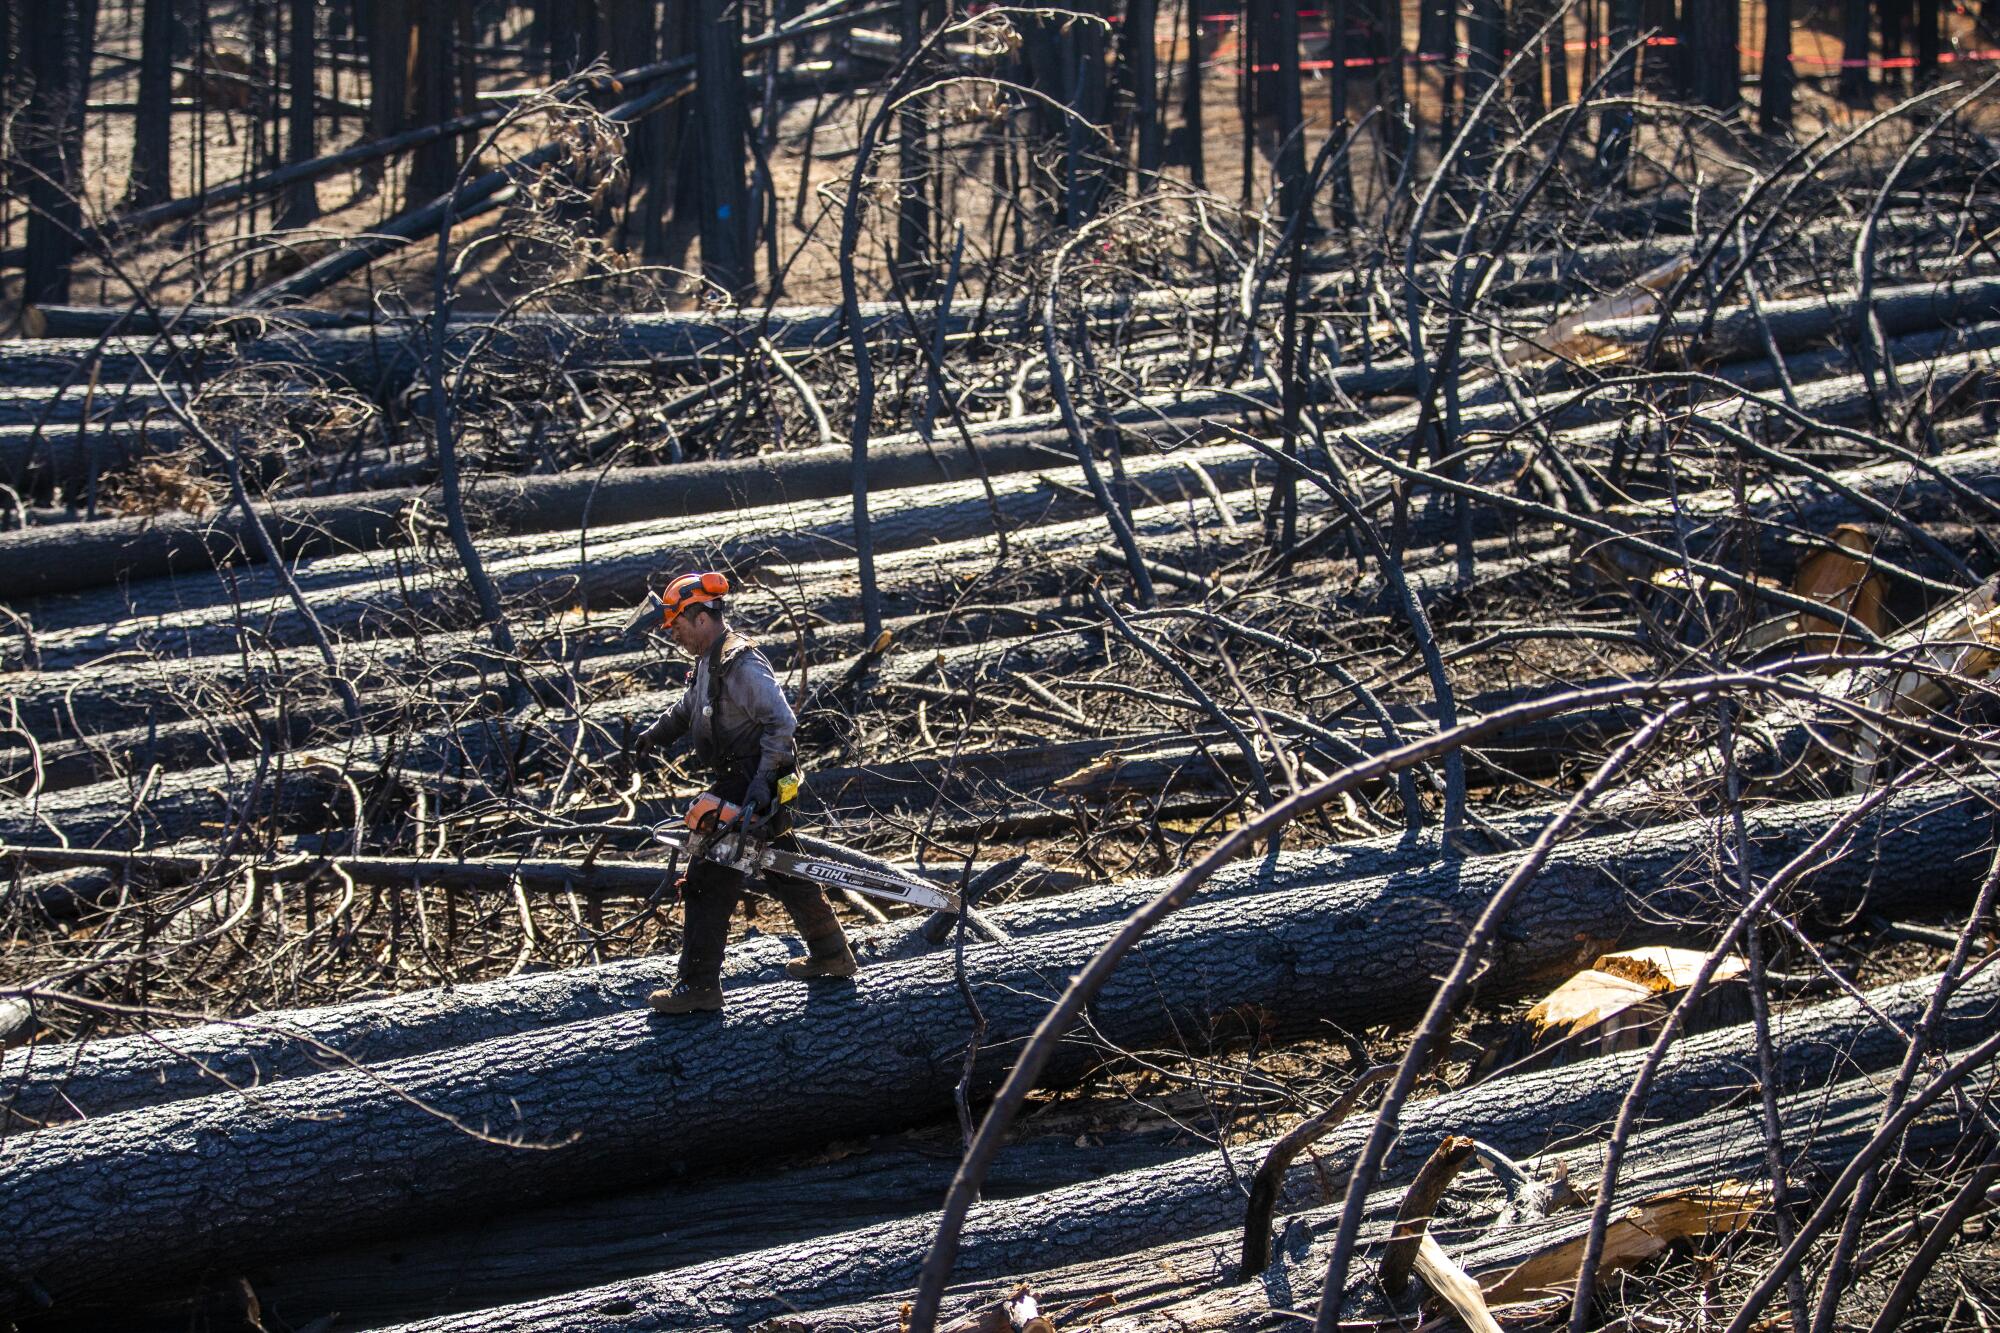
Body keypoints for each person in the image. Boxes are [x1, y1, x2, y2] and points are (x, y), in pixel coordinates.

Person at [628, 570, 857, 1014]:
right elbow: (689, 706)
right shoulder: (708, 661)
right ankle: (832, 952)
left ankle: (698, 987)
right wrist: (656, 735)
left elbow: (781, 723)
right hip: (741, 782)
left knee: (706, 883)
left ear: (699, 617)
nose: (674, 636)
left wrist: (758, 789)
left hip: (752, 781)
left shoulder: (743, 664)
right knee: (785, 870)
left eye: (676, 627)